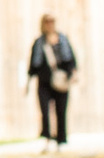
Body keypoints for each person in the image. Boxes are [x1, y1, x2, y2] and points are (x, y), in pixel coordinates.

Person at [28, 13, 77, 147]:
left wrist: (73, 72)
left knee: (61, 110)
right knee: (45, 110)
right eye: (47, 22)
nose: (49, 24)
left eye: (52, 21)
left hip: (61, 80)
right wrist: (28, 80)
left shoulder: (63, 39)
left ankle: (60, 139)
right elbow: (33, 63)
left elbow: (71, 58)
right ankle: (47, 137)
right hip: (44, 81)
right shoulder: (39, 42)